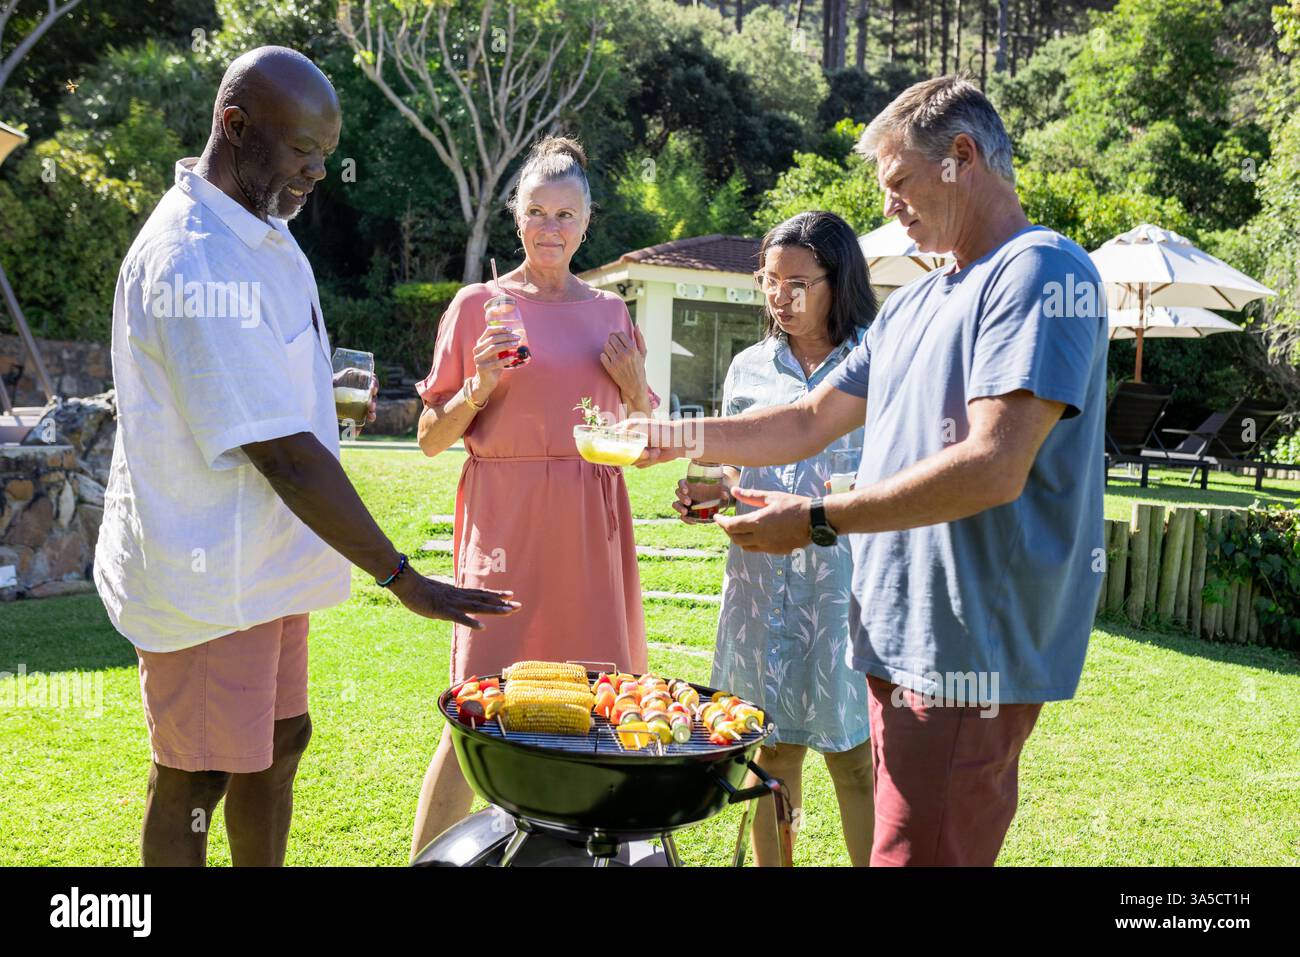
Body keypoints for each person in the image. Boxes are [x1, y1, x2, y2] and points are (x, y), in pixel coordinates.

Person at [634, 75, 1108, 866]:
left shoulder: (1039, 272)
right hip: (893, 640)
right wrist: (671, 433)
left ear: (961, 157)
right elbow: (807, 419)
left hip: (966, 648)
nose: (887, 206)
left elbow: (994, 466)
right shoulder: (919, 302)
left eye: (897, 182)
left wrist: (816, 520)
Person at [94, 47, 518, 868]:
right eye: (302, 152)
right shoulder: (193, 256)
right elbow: (284, 454)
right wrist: (402, 575)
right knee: (196, 778)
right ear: (234, 126)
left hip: (270, 564)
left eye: (325, 155)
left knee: (284, 740)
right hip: (209, 570)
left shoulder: (262, 229)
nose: (319, 172)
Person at [409, 136, 656, 858]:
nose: (551, 227)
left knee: (598, 707)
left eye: (566, 214)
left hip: (591, 529)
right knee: (481, 712)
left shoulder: (612, 312)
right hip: (505, 527)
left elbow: (643, 442)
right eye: (538, 211)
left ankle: (577, 858)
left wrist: (637, 385)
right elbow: (430, 436)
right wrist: (480, 386)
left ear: (588, 223)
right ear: (517, 216)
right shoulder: (478, 306)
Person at [673, 211, 876, 866]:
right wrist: (716, 494)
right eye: (769, 280)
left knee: (855, 759)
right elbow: (740, 476)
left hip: (844, 589)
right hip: (762, 589)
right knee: (773, 753)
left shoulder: (878, 361)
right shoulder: (748, 369)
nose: (779, 297)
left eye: (798, 282)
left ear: (838, 279)